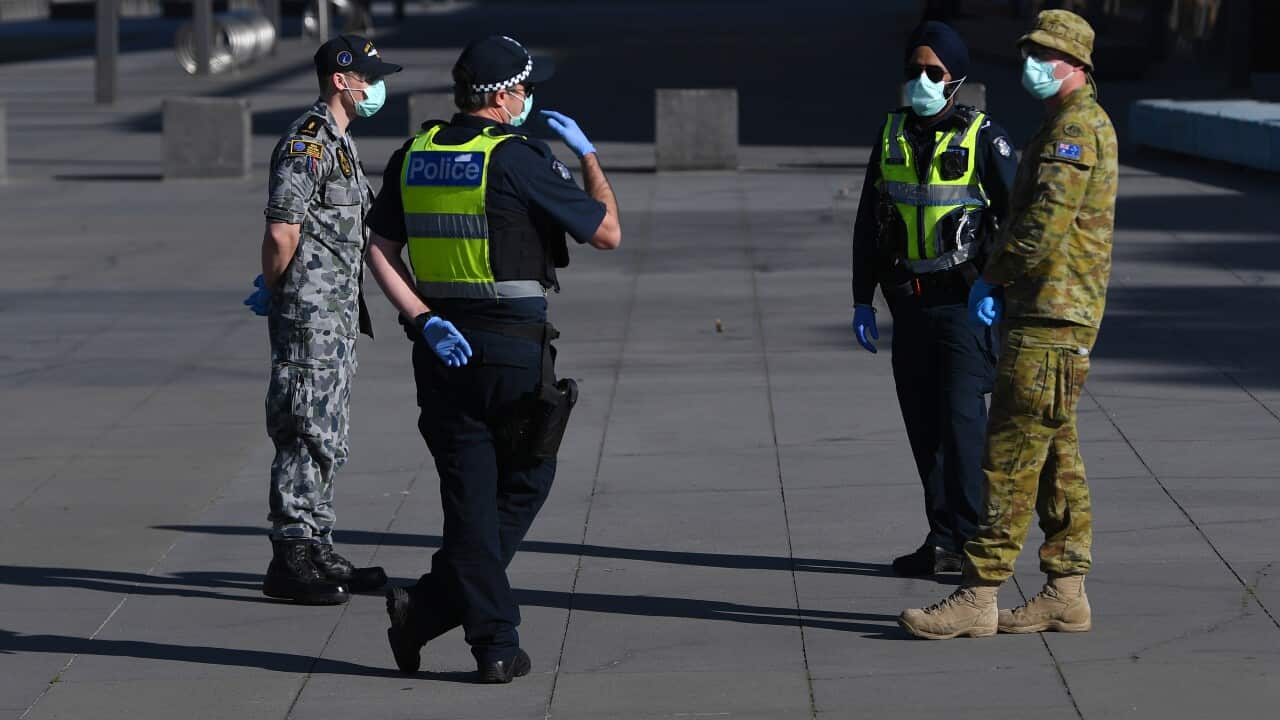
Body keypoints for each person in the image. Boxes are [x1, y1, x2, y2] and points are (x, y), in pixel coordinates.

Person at [363, 35, 621, 682]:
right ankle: (492, 642)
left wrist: (421, 320)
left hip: (441, 348)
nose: (528, 100)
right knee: (526, 479)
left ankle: (429, 616)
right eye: (525, 89)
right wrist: (588, 155)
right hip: (510, 348)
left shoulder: (412, 154)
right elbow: (608, 231)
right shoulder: (517, 159)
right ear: (505, 96)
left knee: (470, 501)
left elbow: (380, 249)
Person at [899, 9, 1117, 640]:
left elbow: (1041, 227)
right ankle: (1066, 591)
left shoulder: (1074, 130)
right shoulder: (1069, 122)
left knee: (1011, 454)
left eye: (1042, 55)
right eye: (1028, 53)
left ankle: (978, 593)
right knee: (1056, 456)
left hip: (1050, 314)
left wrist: (992, 276)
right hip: (1053, 314)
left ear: (1074, 63)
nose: (1030, 65)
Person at [851, 21, 1017, 577]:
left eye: (933, 72)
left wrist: (998, 285)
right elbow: (868, 223)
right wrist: (861, 298)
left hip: (966, 304)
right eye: (914, 70)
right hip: (910, 304)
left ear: (955, 78)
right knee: (924, 429)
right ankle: (942, 538)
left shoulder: (983, 135)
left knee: (963, 428)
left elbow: (1017, 218)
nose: (921, 80)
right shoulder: (892, 131)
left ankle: (974, 543)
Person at [243, 35, 399, 605]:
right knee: (304, 430)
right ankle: (289, 554)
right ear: (341, 80)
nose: (378, 88)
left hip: (332, 313)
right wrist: (277, 286)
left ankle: (318, 542)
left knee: (328, 433)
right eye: (370, 77)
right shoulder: (308, 142)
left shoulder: (340, 141)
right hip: (308, 314)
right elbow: (282, 230)